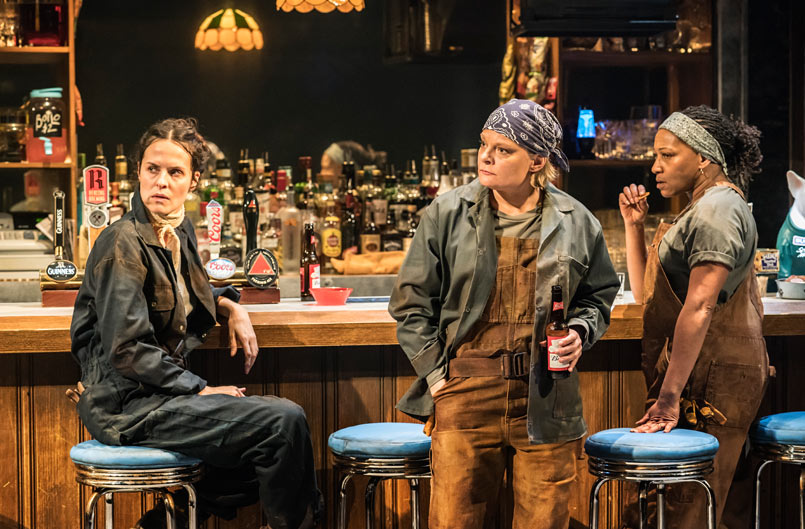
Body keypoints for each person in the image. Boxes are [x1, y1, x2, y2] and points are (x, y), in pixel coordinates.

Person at [70, 118, 321, 529]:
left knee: (279, 442)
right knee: (282, 423)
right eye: (152, 169)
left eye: (175, 173)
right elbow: (127, 350)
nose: (161, 183)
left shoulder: (177, 231)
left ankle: (166, 520)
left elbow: (196, 295)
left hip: (159, 397)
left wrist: (231, 307)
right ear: (138, 173)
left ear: (194, 181)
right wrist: (202, 389)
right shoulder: (122, 242)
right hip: (127, 406)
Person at [389, 99, 619, 529]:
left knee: (544, 521)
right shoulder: (448, 213)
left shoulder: (576, 221)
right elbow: (410, 303)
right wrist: (438, 378)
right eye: (484, 144)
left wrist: (581, 332)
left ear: (537, 161)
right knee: (455, 520)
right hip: (465, 394)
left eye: (504, 149)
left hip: (548, 396)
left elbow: (599, 295)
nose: (487, 157)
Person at [619, 105, 768, 528]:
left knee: (689, 507)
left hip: (710, 379)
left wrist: (668, 399)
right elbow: (650, 292)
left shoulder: (717, 209)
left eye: (668, 155)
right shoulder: (701, 207)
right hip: (693, 373)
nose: (655, 167)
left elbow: (701, 305)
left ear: (704, 157)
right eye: (656, 156)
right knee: (670, 505)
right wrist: (635, 227)